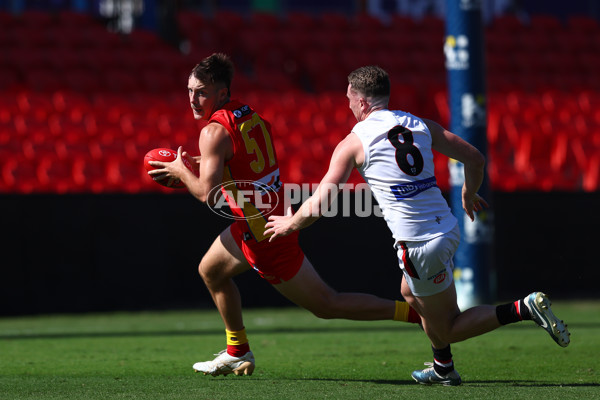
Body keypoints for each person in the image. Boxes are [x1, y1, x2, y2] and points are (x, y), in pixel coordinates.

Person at [264, 65, 570, 385]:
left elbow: (320, 204)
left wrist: (291, 223)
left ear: (363, 102)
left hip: (420, 244)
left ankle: (523, 309)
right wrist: (468, 193)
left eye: (350, 99)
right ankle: (443, 368)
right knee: (408, 292)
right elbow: (476, 159)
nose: (348, 105)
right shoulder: (418, 124)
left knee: (448, 326)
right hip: (447, 227)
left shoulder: (353, 143)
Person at [147, 53, 421, 377]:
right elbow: (235, 162)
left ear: (221, 93)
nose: (192, 98)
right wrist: (198, 164)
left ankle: (414, 314)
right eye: (190, 90)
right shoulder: (246, 114)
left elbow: (206, 193)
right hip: (261, 217)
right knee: (211, 271)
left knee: (327, 305)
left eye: (201, 92)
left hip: (265, 234)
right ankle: (237, 350)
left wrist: (181, 170)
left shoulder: (212, 132)